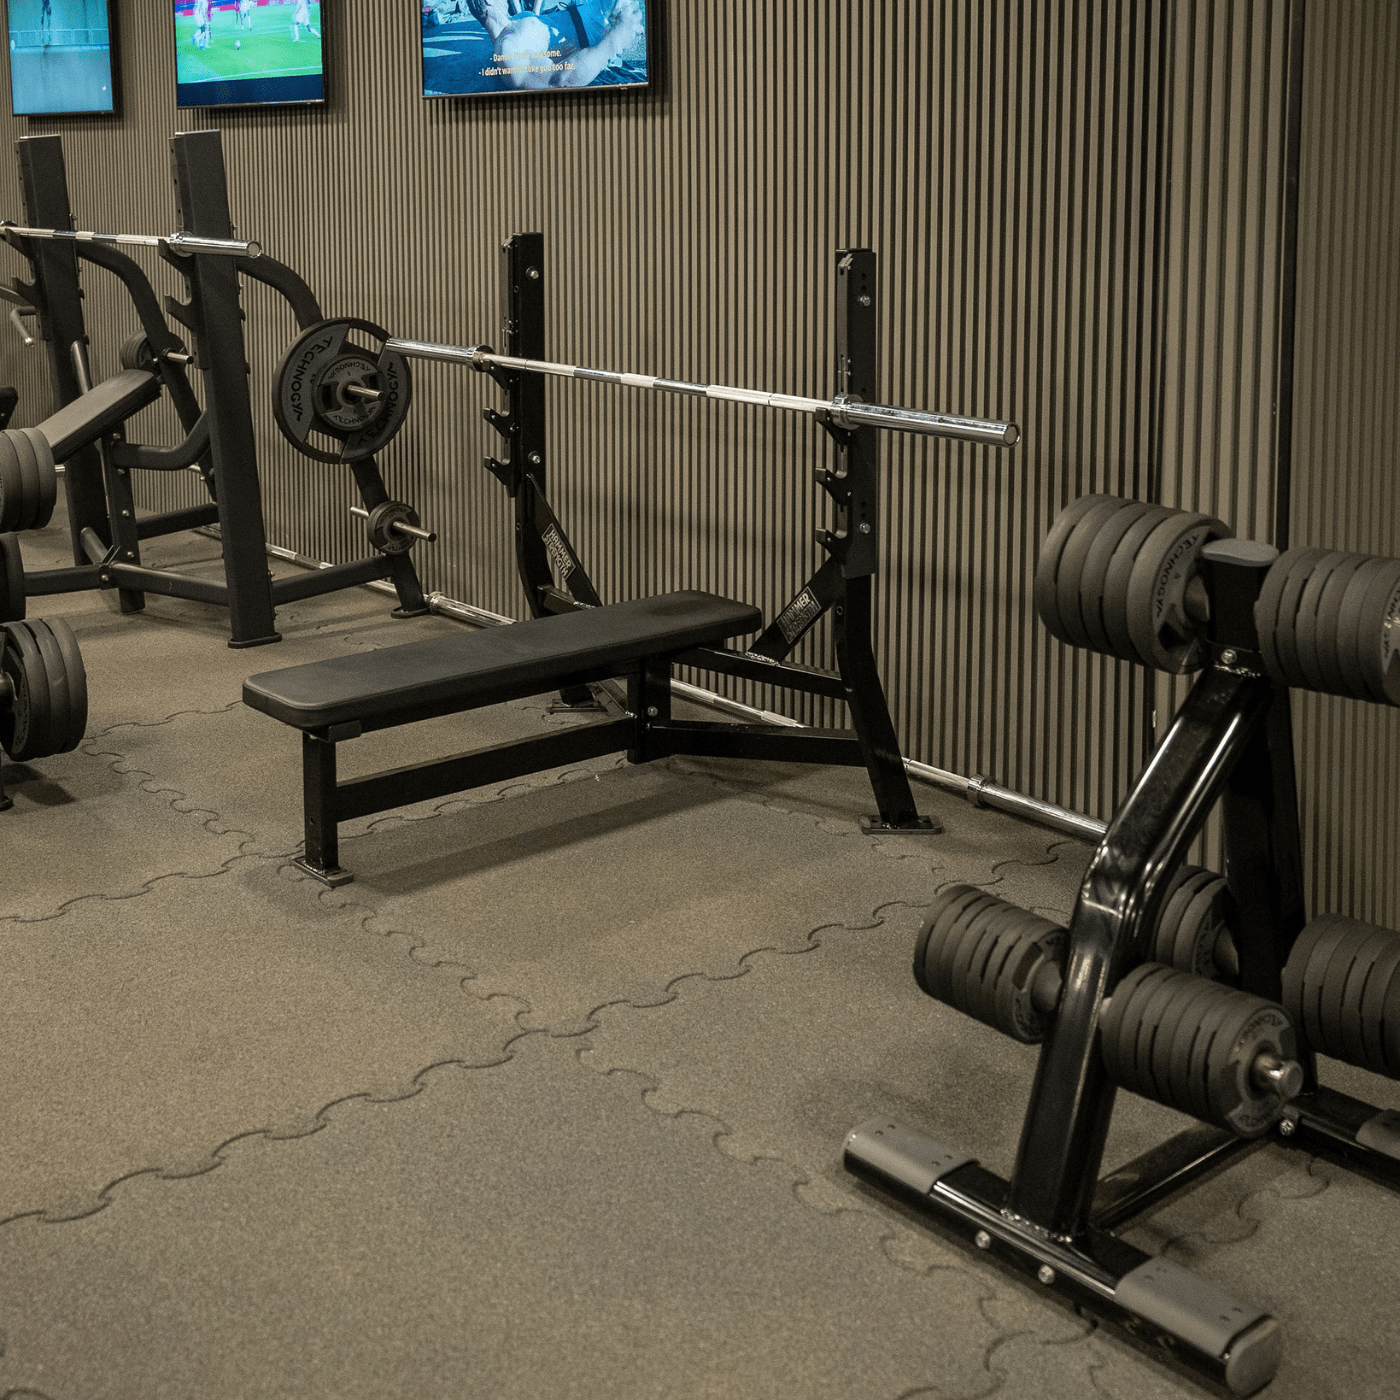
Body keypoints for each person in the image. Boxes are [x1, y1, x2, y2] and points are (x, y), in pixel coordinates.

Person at [466, 0, 643, 88]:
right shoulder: (507, 49)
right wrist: (614, 41)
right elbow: (562, 79)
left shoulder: (512, 26)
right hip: (593, 26)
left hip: (584, 11)